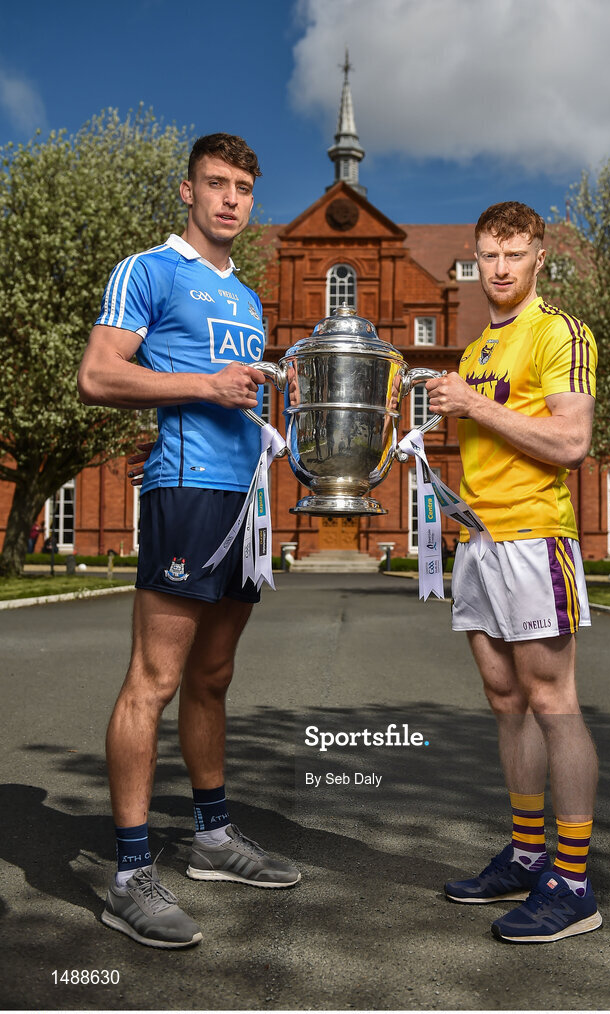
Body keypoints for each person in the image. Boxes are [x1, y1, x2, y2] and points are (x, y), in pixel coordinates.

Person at [78, 133, 299, 950]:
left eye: (244, 185)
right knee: (155, 679)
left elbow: (225, 393)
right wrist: (201, 388)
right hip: (184, 493)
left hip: (243, 504)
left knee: (214, 676)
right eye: (217, 183)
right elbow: (99, 375)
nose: (231, 199)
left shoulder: (244, 297)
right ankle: (130, 875)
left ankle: (212, 839)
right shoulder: (149, 270)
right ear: (187, 190)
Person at [426, 202, 601, 944]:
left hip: (536, 538)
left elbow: (570, 441)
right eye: (489, 256)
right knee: (504, 698)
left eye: (514, 254)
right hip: (481, 539)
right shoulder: (476, 351)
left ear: (538, 258)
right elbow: (489, 443)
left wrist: (469, 406)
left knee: (552, 698)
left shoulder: (559, 331)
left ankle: (573, 880)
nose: (500, 268)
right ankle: (528, 854)